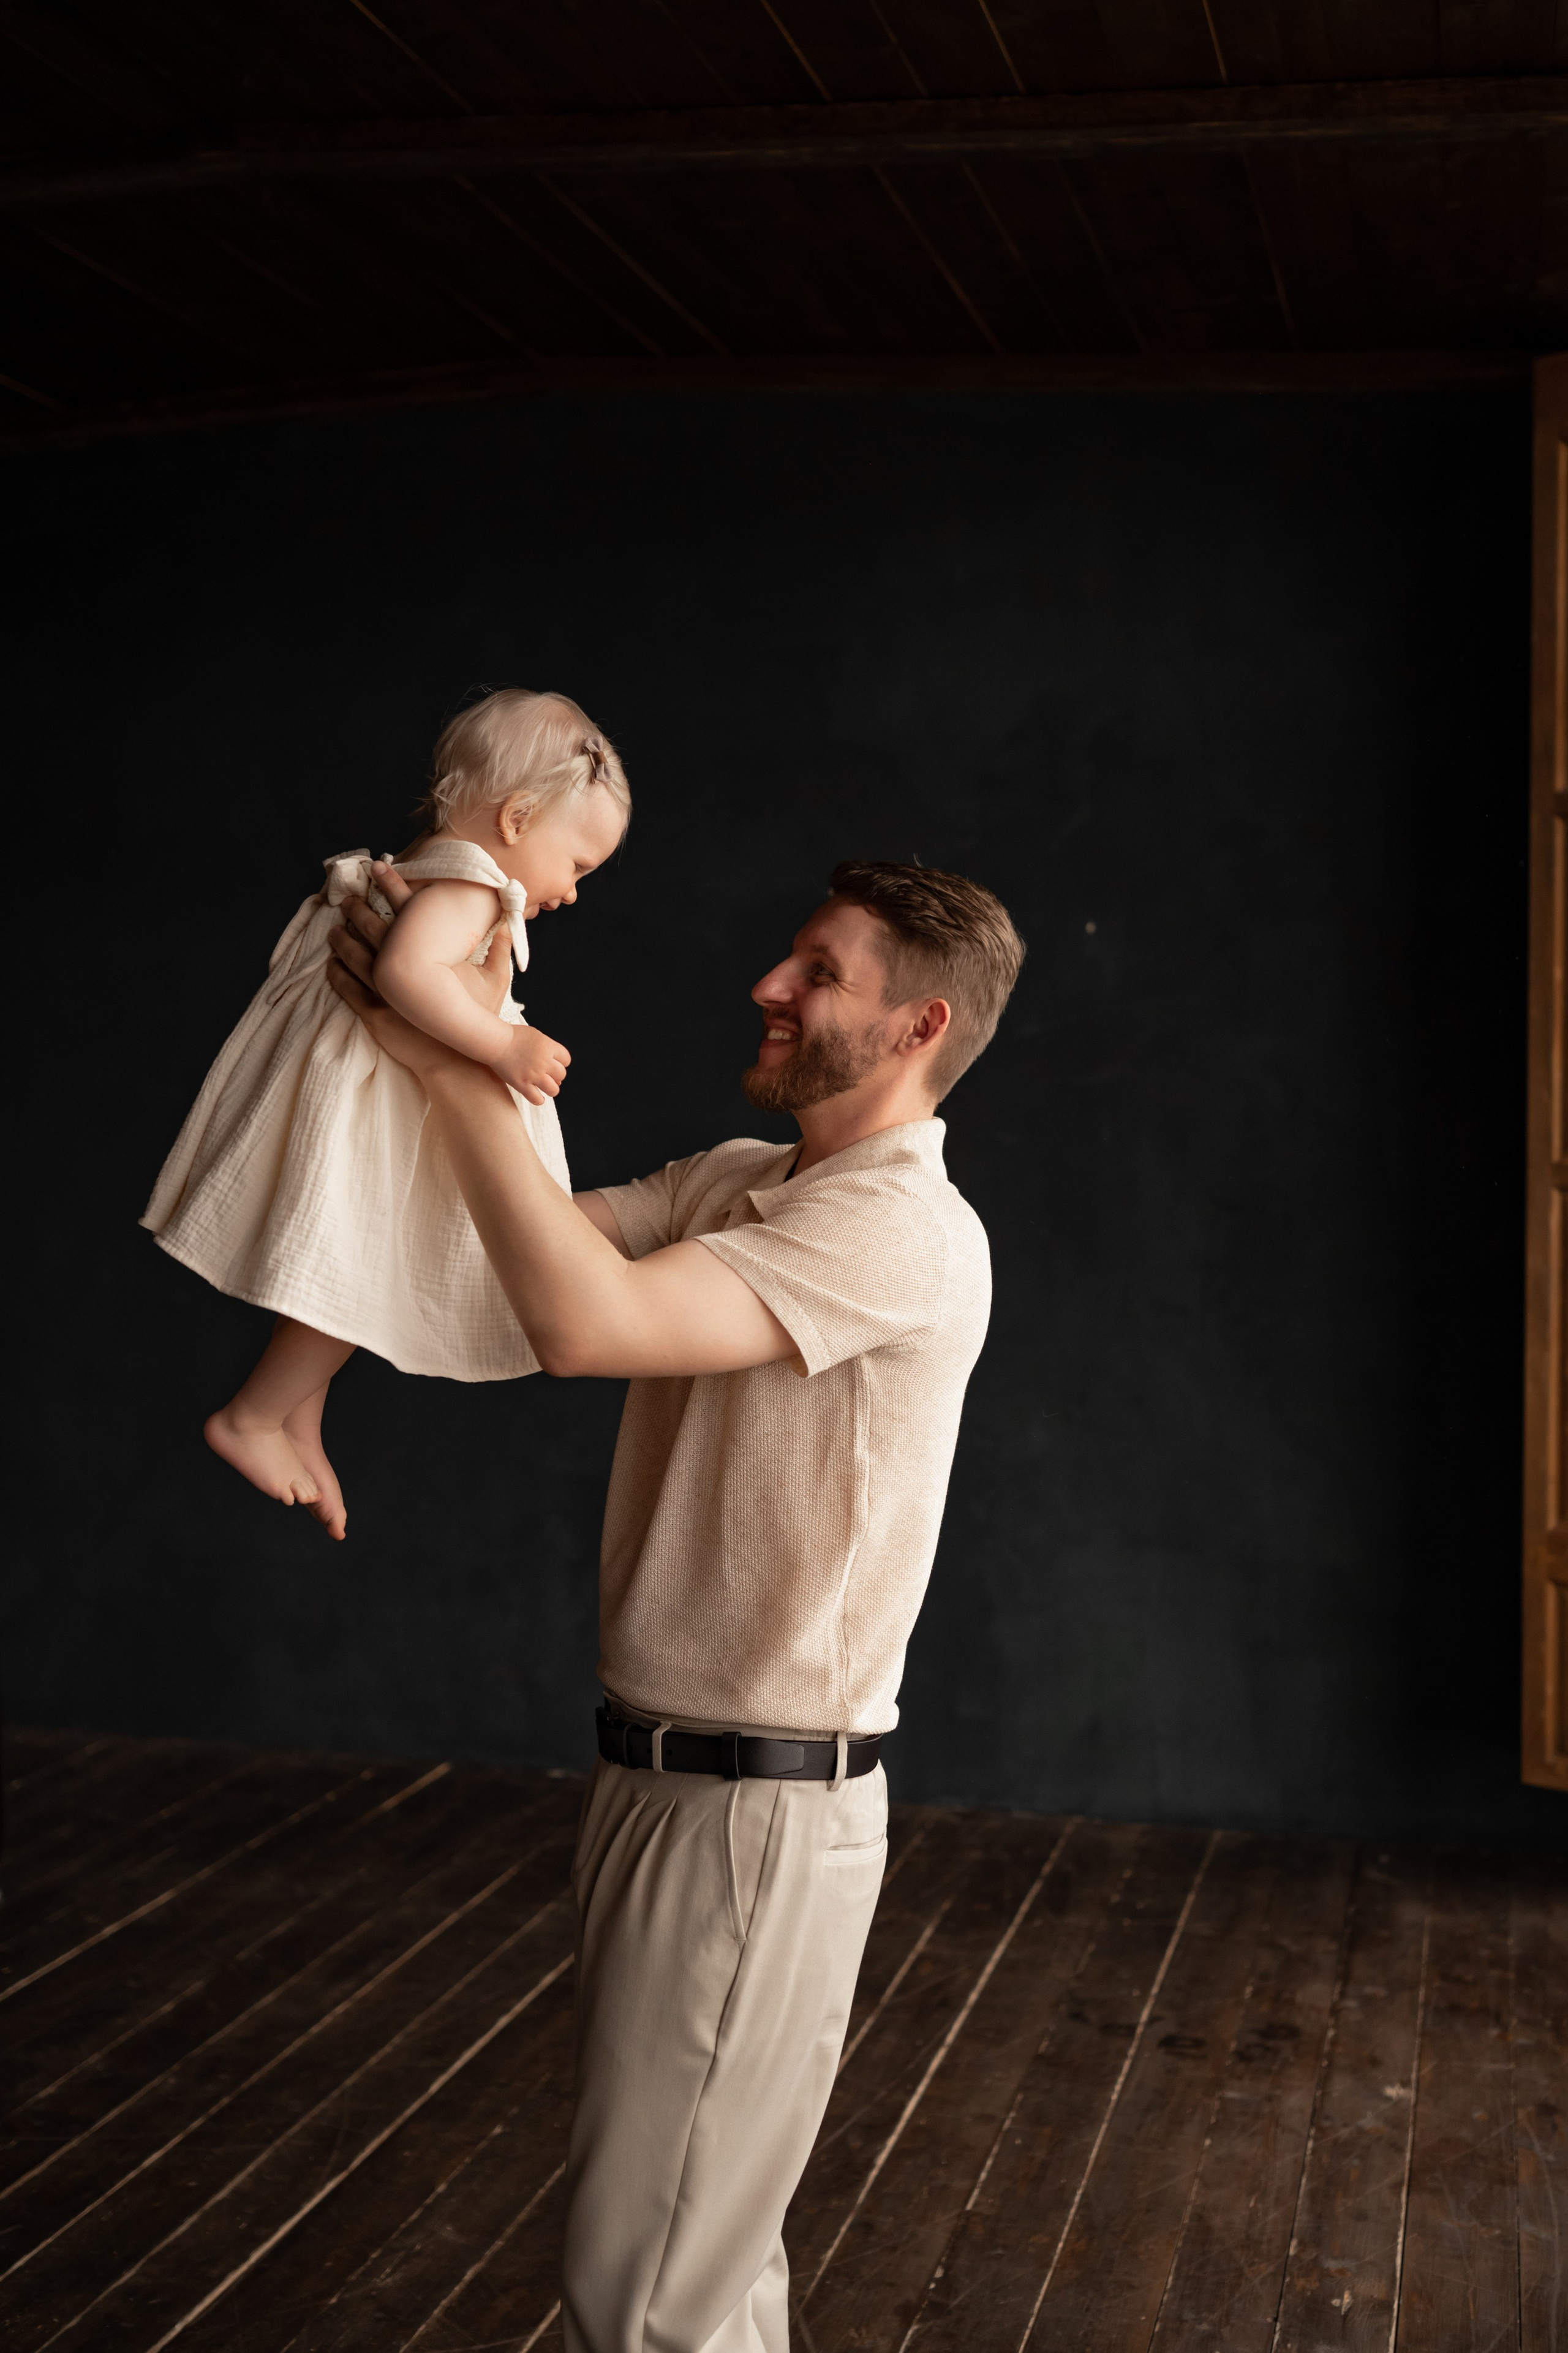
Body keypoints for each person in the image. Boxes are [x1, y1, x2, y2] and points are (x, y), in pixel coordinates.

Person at [328, 855, 1025, 2353]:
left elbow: (588, 1325)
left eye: (820, 971)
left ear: (919, 1025)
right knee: (699, 2268)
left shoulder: (900, 1232)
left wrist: (456, 1055)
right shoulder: (740, 1181)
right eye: (789, 955)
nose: (770, 985)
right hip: (665, 1784)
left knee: (645, 2299)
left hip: (752, 1814)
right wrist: (439, 1005)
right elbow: (494, 1262)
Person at [142, 688, 629, 1541]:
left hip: (363, 1076)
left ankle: (297, 1412)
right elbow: (406, 973)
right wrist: (499, 1047)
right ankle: (254, 1415)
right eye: (578, 865)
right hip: (384, 1088)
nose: (575, 893)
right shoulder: (476, 886)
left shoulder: (436, 860)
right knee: (370, 1260)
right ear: (517, 817)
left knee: (349, 1260)